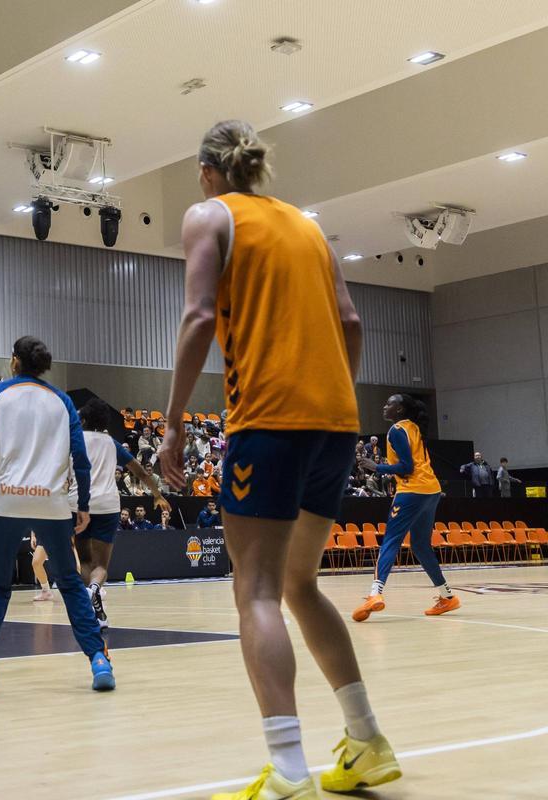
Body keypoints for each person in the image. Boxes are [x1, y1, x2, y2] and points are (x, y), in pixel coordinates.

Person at [157, 120, 397, 798]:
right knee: (300, 585)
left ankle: (289, 767)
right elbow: (351, 321)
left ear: (208, 171)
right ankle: (366, 739)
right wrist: (338, 401)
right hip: (334, 423)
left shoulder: (209, 216)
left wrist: (173, 422)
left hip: (269, 418)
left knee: (255, 590)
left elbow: (199, 316)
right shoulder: (308, 226)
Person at [0, 336, 112, 695]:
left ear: (14, 360)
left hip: (7, 500)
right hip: (50, 502)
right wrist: (83, 504)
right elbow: (81, 458)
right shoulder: (62, 401)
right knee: (70, 583)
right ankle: (98, 660)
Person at [355, 394, 459, 621]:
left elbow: (406, 467)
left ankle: (375, 593)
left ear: (400, 410)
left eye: (389, 403)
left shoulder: (396, 430)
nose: (384, 406)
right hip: (431, 489)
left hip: (412, 490)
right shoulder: (414, 428)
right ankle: (447, 597)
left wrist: (377, 467)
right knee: (421, 546)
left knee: (391, 540)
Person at [74, 399, 170, 629]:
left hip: (78, 504)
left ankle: (91, 599)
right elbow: (138, 469)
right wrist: (156, 493)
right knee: (101, 565)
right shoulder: (111, 443)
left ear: (84, 420)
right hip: (107, 505)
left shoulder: (73, 440)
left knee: (85, 560)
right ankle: (95, 592)